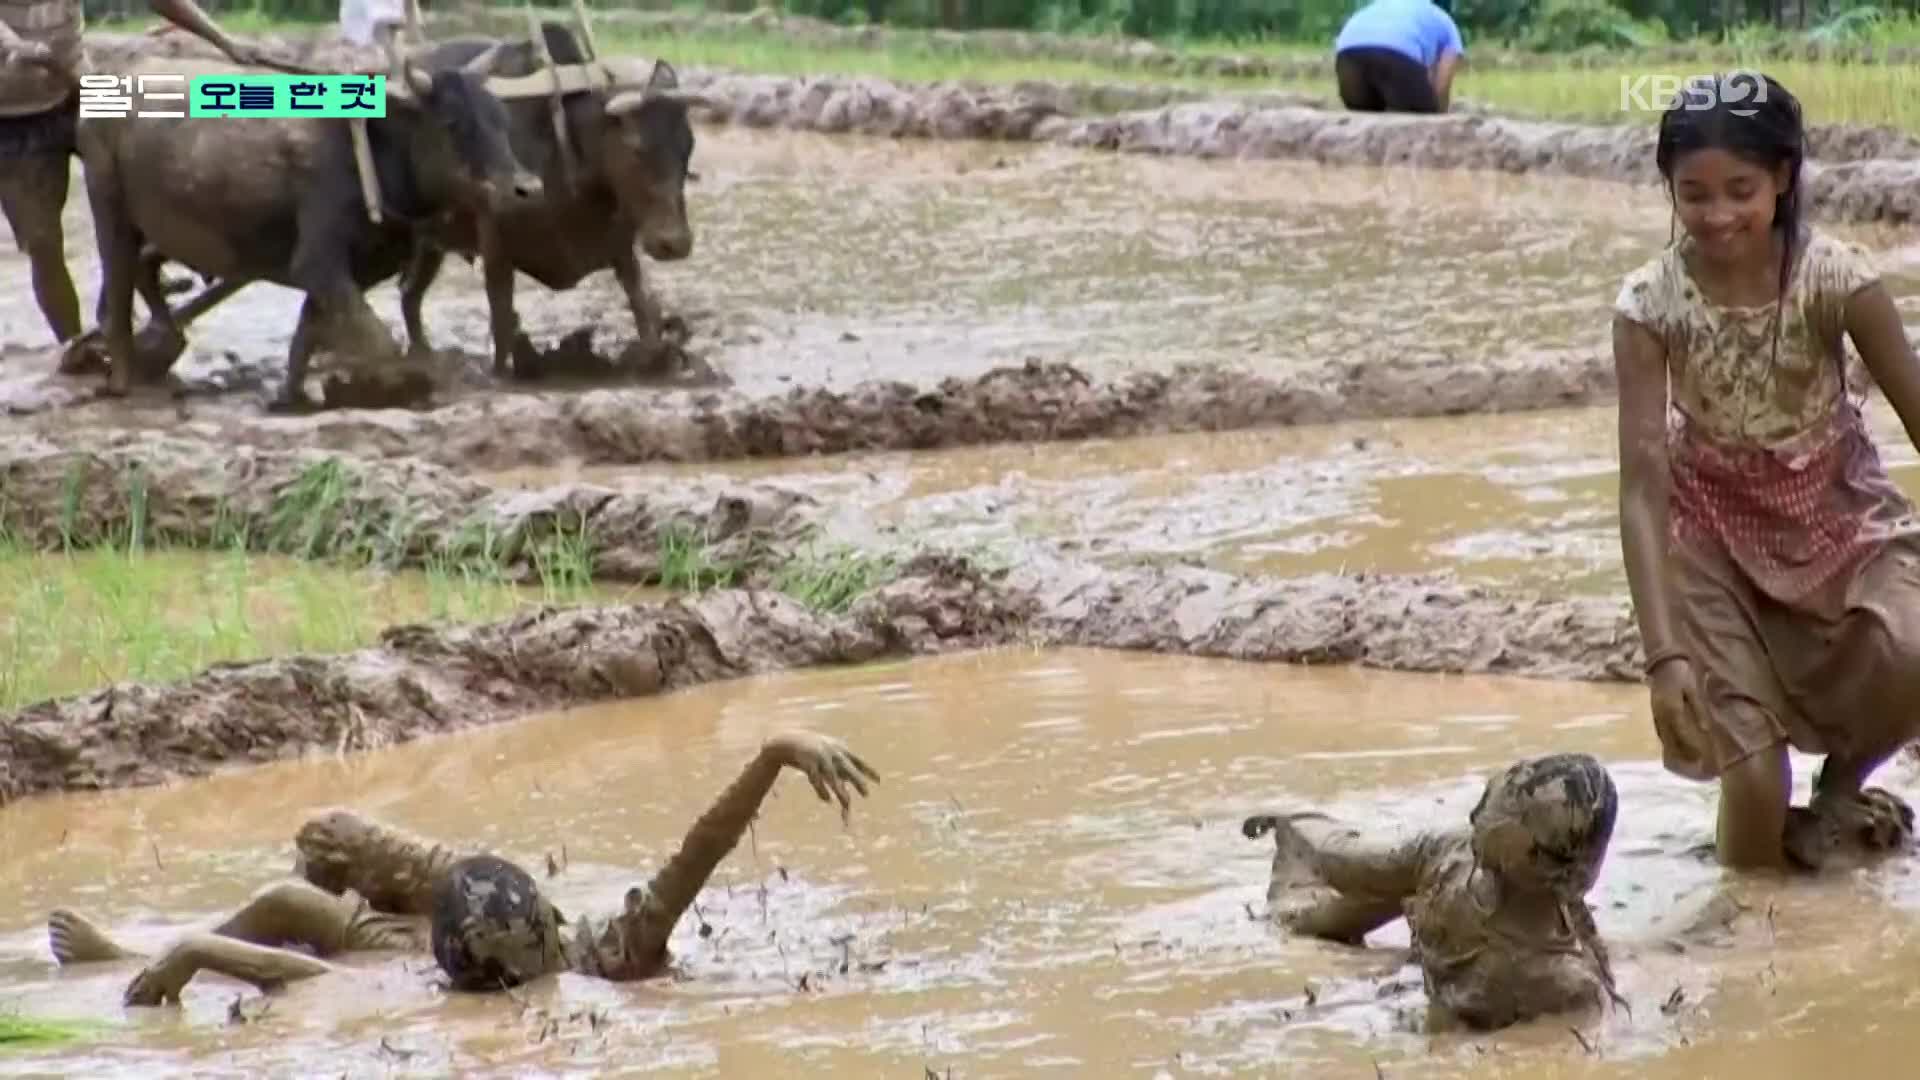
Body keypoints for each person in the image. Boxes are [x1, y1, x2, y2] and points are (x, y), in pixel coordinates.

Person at [1613, 71, 1920, 873]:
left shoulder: (1836, 280)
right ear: (1670, 191)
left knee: (1913, 648)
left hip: (1835, 513)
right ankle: (1747, 939)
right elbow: (1644, 486)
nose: (1719, 217)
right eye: (1695, 195)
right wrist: (1663, 658)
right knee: (1751, 780)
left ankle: (1844, 783)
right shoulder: (1650, 303)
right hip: (1710, 536)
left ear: (1783, 180)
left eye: (1740, 191)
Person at [46, 730, 880, 1004]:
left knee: (286, 900)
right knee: (325, 834)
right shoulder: (619, 942)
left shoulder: (424, 984)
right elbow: (702, 847)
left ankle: (119, 956)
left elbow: (285, 972)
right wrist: (776, 752)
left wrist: (183, 951)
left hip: (420, 935)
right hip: (463, 908)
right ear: (550, 918)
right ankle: (147, 949)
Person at [1242, 753, 1621, 1032]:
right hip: (1425, 907)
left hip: (1441, 956)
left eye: (1494, 808)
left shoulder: (1563, 983)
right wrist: (1293, 823)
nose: (1476, 816)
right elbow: (1342, 857)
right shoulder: (1451, 856)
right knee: (1295, 918)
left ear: (1523, 849)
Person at [0, 0, 264, 364]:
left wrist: (225, 42)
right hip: (11, 118)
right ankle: (78, 345)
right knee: (42, 242)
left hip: (83, 86)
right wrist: (14, 46)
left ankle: (123, 307)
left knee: (153, 173)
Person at [1332, 0, 1464, 115]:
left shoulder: (1374, 8)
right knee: (1423, 112)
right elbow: (1442, 82)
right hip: (1394, 56)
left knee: (1368, 107)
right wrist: (1437, 111)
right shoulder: (1443, 19)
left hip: (1347, 57)